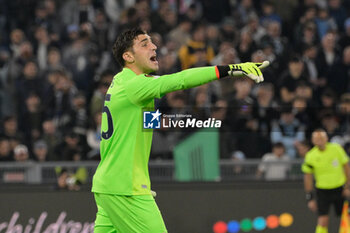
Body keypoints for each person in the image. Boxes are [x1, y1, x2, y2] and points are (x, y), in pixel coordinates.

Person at [91, 27, 269, 233]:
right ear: (128, 56)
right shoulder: (134, 86)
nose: (154, 46)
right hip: (126, 189)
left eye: (152, 41)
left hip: (108, 185)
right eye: (145, 43)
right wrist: (231, 69)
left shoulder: (121, 81)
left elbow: (139, 123)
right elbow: (180, 80)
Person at [302, 128, 350, 233]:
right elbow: (308, 177)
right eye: (317, 138)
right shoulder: (310, 156)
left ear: (326, 138)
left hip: (340, 188)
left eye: (322, 138)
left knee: (347, 217)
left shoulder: (336, 149)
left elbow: (346, 167)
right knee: (322, 220)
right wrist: (309, 196)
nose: (320, 140)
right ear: (313, 140)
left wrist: (347, 186)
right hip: (323, 191)